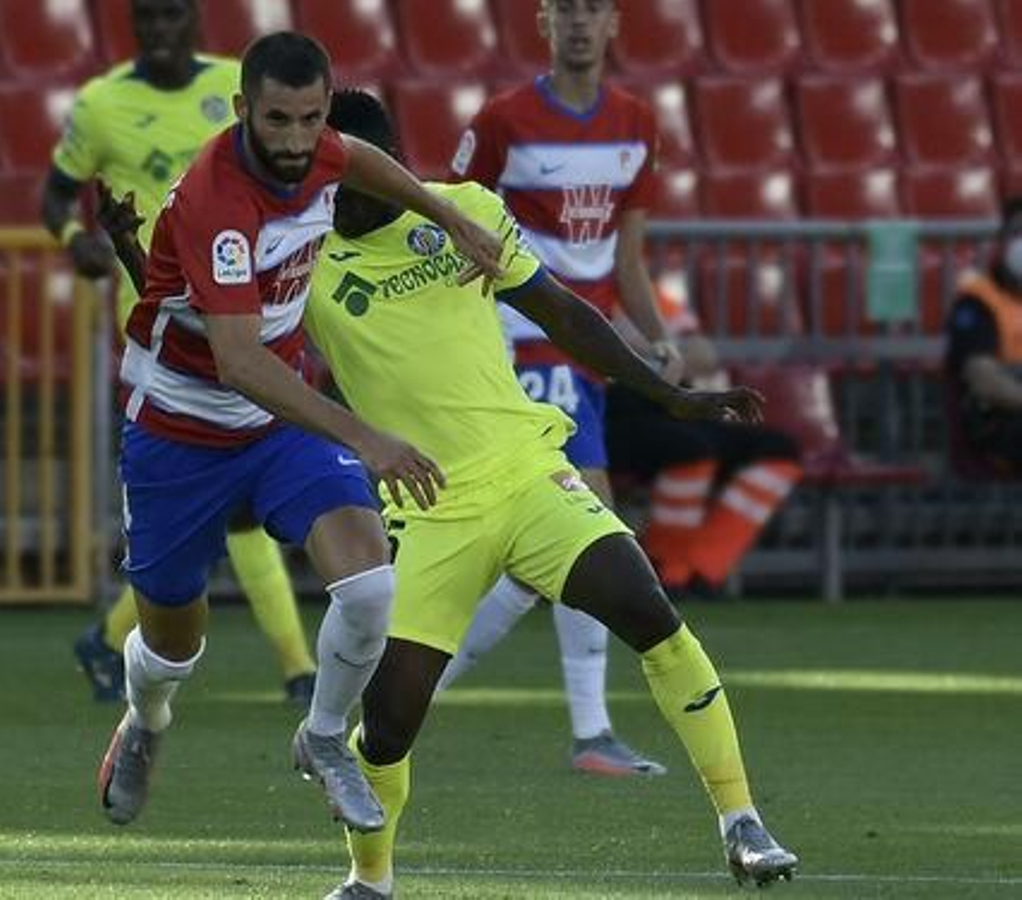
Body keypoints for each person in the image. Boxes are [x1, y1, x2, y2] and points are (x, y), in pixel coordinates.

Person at [98, 88, 801, 896]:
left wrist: (667, 394)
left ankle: (741, 822)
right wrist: (134, 253)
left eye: (353, 177)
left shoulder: (464, 211)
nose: (335, 193)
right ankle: (370, 881)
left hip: (529, 472)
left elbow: (563, 312)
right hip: (430, 510)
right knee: (391, 726)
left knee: (651, 614)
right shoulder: (300, 253)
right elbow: (207, 324)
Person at [93, 33, 508, 836]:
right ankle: (145, 721)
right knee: (174, 647)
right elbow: (241, 362)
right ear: (243, 109)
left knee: (370, 589)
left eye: (308, 121)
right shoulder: (219, 198)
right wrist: (372, 438)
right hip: (180, 431)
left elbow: (360, 159)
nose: (293, 141)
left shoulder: (318, 149)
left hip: (280, 427)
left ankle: (322, 737)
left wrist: (449, 215)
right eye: (275, 120)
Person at [42, 0, 318, 708]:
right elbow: (55, 197)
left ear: (193, 20)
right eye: (147, 19)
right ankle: (292, 667)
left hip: (243, 320)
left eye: (171, 17)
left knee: (239, 505)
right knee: (234, 505)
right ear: (133, 26)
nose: (159, 31)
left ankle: (289, 668)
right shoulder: (102, 104)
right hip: (159, 334)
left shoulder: (242, 90)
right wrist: (78, 244)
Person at [438, 0, 677, 777]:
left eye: (592, 9)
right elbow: (447, 224)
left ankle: (404, 691)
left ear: (612, 24)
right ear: (544, 22)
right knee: (592, 517)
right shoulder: (502, 122)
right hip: (526, 341)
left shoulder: (637, 123)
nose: (578, 23)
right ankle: (591, 733)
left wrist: (656, 333)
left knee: (533, 558)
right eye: (564, 9)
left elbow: (624, 257)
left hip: (587, 351)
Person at [605, 284, 803, 596]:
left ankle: (702, 567)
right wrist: (660, 351)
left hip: (667, 402)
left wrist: (645, 350)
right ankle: (661, 568)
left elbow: (704, 356)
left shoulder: (651, 295)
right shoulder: (580, 288)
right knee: (690, 450)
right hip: (606, 409)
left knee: (779, 449)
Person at [946, 197, 1022, 476]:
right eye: (1018, 233)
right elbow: (983, 378)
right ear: (1003, 243)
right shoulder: (978, 302)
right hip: (997, 421)